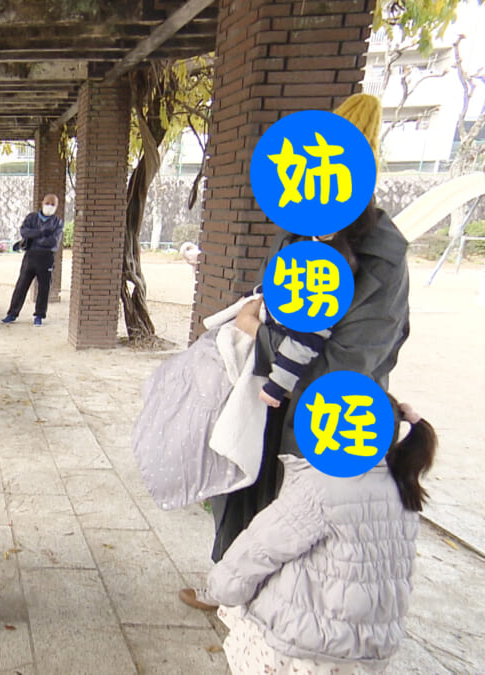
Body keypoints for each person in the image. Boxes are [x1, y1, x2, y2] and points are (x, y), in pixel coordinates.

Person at [181, 93, 411, 610]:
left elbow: (353, 359)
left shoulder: (381, 254)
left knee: (301, 542)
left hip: (328, 422)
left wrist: (261, 339)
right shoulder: (305, 236)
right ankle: (234, 596)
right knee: (257, 517)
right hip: (274, 406)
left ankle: (268, 622)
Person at [203, 397, 436, 674]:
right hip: (370, 646)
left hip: (308, 643)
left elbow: (261, 547)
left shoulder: (320, 486)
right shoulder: (403, 488)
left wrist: (222, 588)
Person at [2, 193, 64, 326]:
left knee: (44, 288)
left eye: (53, 204)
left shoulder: (57, 222)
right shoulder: (32, 218)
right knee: (21, 285)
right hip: (30, 256)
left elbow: (53, 241)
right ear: (42, 203)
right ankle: (12, 313)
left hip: (46, 257)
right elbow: (24, 232)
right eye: (48, 203)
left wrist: (34, 236)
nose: (50, 206)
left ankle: (39, 316)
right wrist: (41, 233)